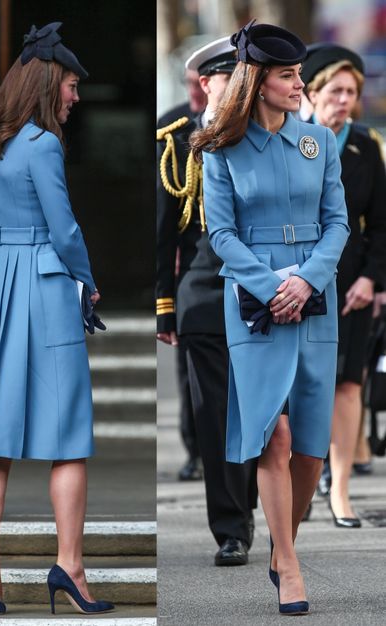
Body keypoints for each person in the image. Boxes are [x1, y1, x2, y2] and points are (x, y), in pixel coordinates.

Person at [0, 22, 113, 616]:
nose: (75, 96)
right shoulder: (43, 144)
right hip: (46, 288)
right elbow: (64, 227)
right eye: (71, 85)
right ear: (49, 83)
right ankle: (69, 566)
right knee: (68, 437)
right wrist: (90, 282)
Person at [192, 20, 349, 614]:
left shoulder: (319, 143)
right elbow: (221, 234)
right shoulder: (220, 149)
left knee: (310, 448)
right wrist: (270, 284)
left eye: (298, 75)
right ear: (258, 83)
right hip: (253, 303)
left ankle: (287, 545)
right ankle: (289, 565)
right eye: (287, 75)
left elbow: (338, 224)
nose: (298, 84)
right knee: (273, 436)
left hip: (314, 295)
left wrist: (305, 278)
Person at [157, 37, 258, 566]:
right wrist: (164, 303)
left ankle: (254, 501)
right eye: (228, 78)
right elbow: (165, 232)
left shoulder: (271, 134)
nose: (240, 87)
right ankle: (232, 528)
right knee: (215, 417)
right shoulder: (180, 139)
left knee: (265, 416)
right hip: (205, 289)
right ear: (207, 84)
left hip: (266, 291)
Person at [301, 44, 386, 526]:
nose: (345, 100)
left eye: (352, 92)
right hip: (298, 282)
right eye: (336, 90)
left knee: (348, 384)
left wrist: (372, 279)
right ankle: (304, 483)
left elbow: (381, 224)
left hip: (351, 282)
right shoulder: (292, 140)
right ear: (312, 93)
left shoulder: (364, 145)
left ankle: (341, 493)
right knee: (303, 388)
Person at [158, 63, 207, 482]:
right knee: (189, 372)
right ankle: (195, 450)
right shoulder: (170, 128)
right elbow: (164, 214)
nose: (194, 94)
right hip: (189, 265)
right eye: (189, 85)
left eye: (201, 85)